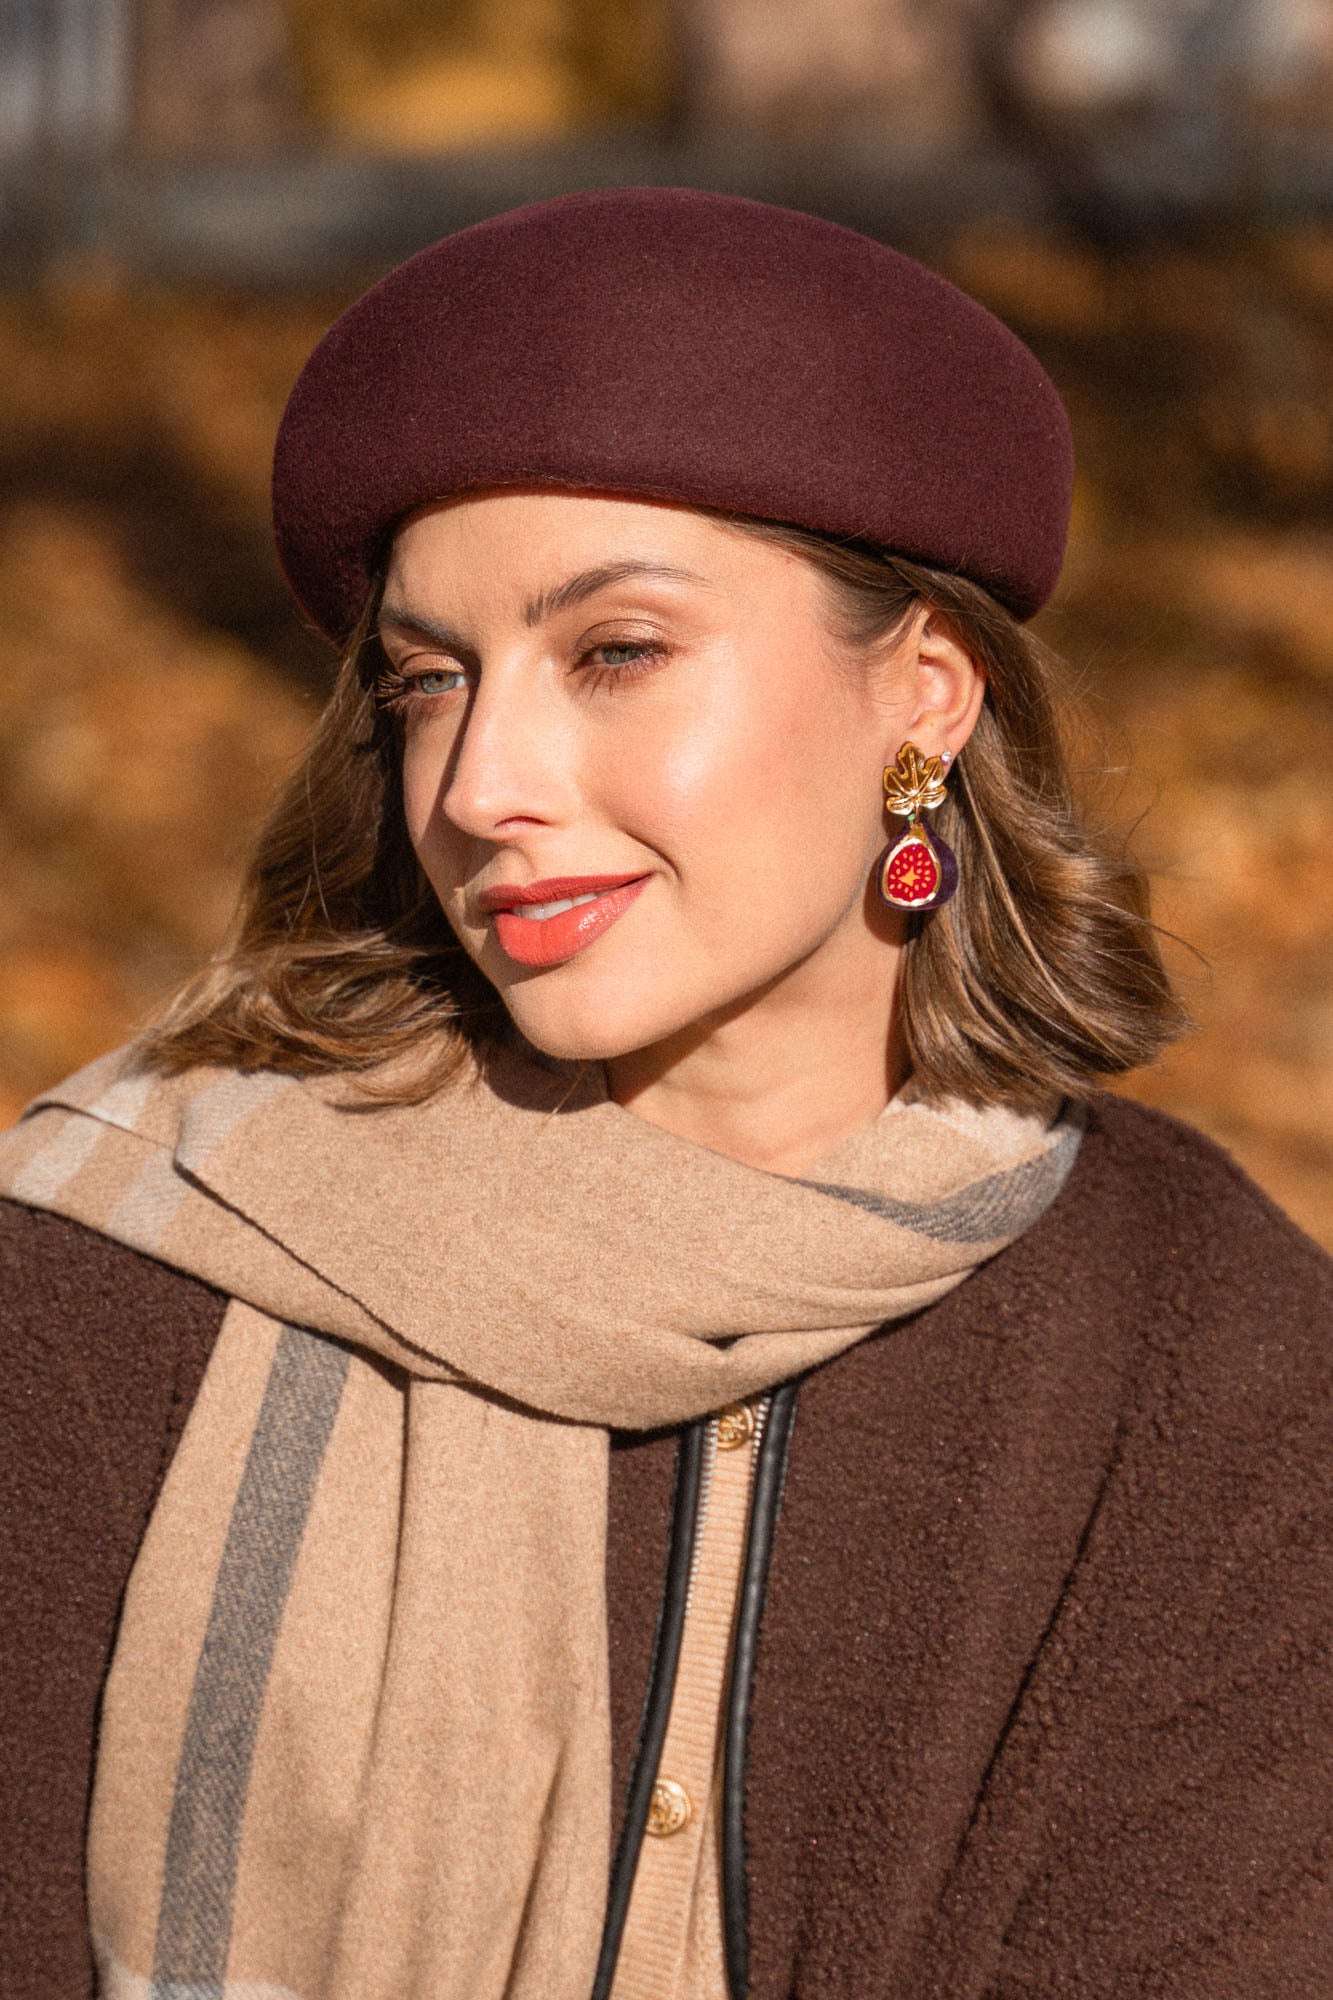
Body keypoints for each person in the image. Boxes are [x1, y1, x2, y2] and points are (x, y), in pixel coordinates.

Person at [1, 187, 1328, 2000]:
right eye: (426, 680)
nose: (480, 785)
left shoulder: (1205, 1358)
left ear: (924, 699)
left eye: (613, 651)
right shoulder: (116, 1273)